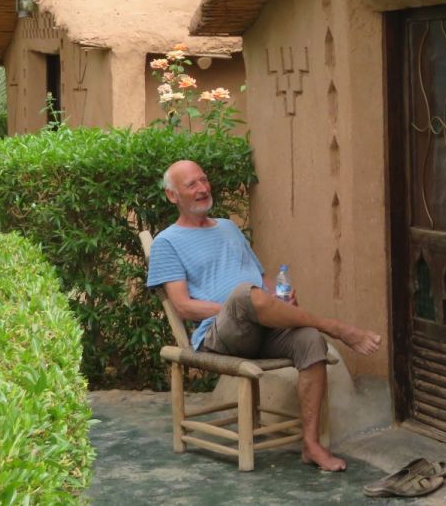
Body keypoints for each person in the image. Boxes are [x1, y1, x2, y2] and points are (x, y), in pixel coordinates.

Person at [147, 159, 382, 472]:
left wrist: (277, 299)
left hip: (260, 327)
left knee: (310, 341)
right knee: (244, 295)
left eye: (204, 180)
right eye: (192, 185)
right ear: (172, 195)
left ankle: (311, 445)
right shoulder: (167, 242)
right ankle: (337, 327)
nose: (203, 188)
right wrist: (240, 307)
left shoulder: (229, 228)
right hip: (219, 334)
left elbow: (261, 279)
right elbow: (183, 306)